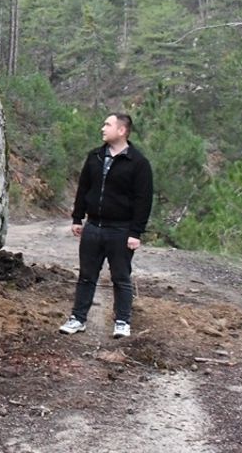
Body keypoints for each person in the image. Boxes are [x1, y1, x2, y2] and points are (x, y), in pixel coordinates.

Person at [58, 113, 153, 339]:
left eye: (108, 125)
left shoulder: (138, 163)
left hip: (120, 230)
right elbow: (83, 188)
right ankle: (78, 319)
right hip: (93, 228)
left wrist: (135, 232)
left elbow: (143, 200)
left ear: (122, 131)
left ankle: (122, 321)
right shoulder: (95, 157)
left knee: (121, 277)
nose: (103, 128)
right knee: (86, 276)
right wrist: (77, 218)